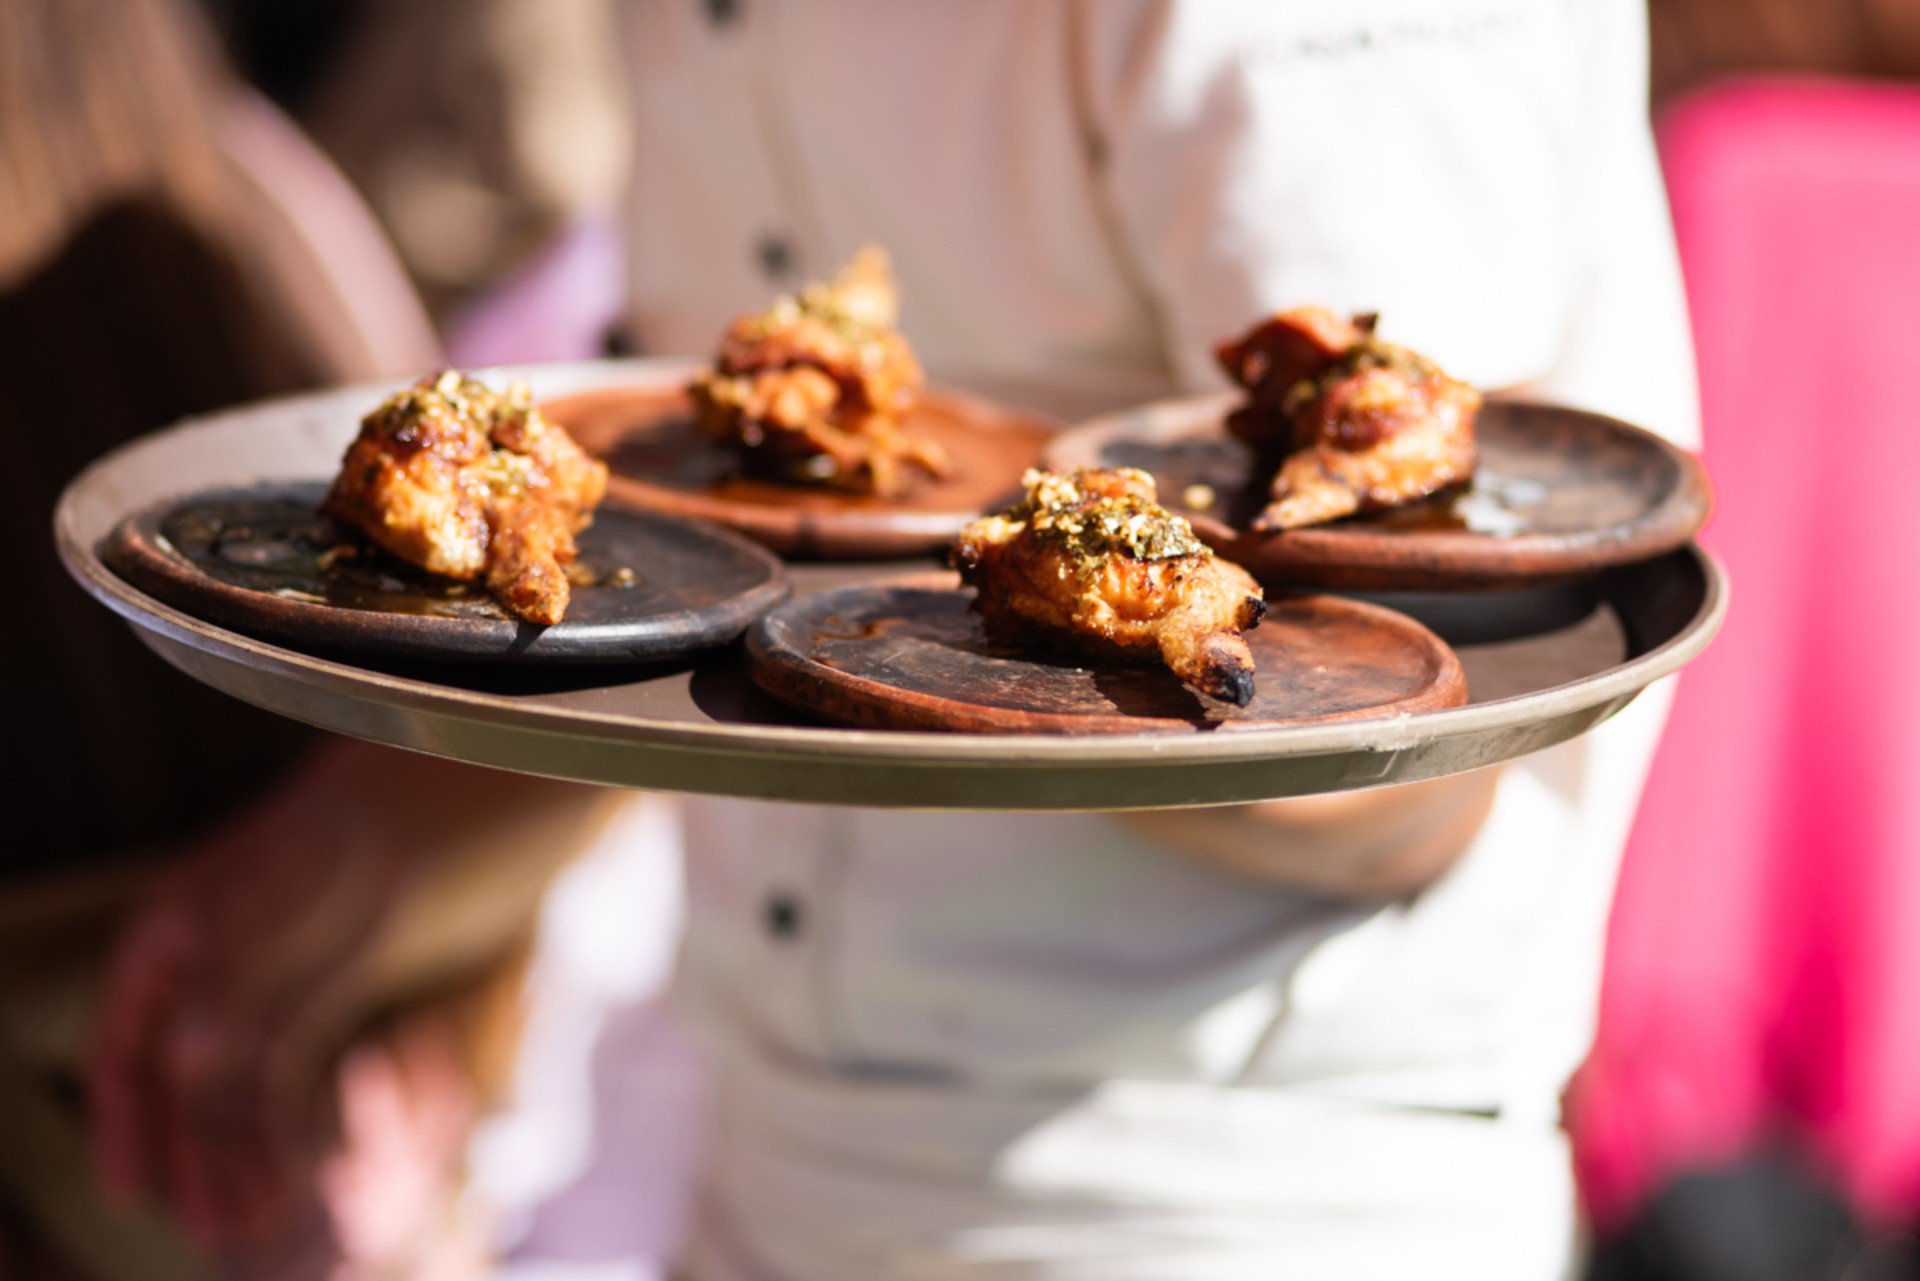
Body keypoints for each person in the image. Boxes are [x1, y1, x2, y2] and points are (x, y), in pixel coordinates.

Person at [90, 1, 1699, 1277]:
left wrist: (976, 619)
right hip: (763, 1158)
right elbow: (699, 571)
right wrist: (368, 850)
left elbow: (1411, 763)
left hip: (1226, 1188)